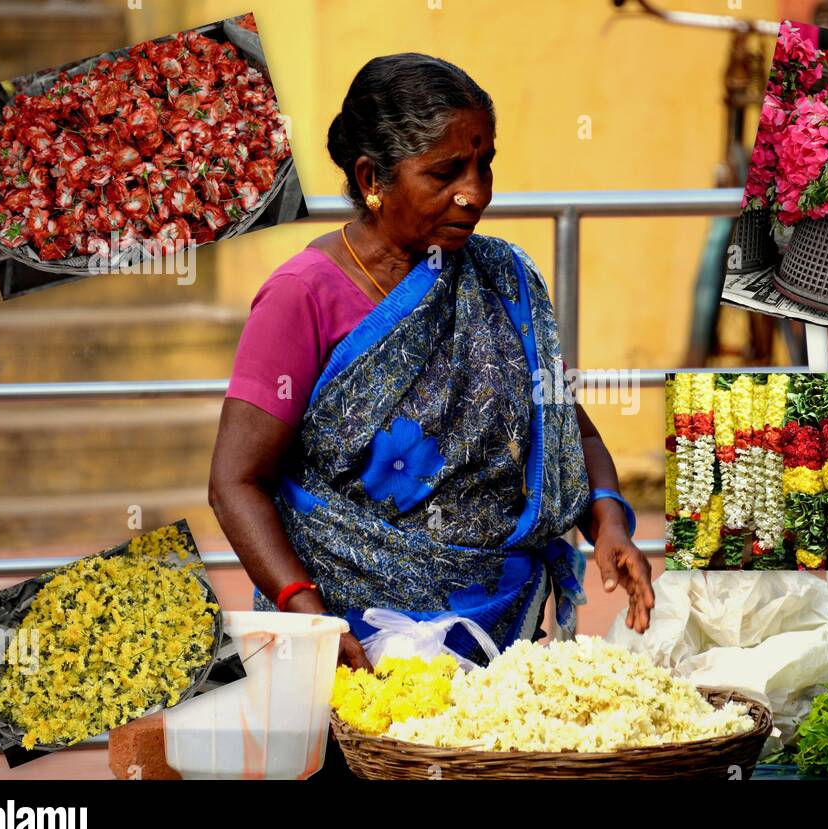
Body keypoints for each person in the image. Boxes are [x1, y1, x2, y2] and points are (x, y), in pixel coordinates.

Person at [209, 53, 655, 677]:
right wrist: (308, 614)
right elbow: (235, 482)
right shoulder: (303, 296)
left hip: (502, 640)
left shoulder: (499, 278)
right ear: (373, 178)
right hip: (354, 644)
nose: (474, 194)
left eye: (485, 164)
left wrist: (609, 521)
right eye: (445, 172)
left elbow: (563, 428)